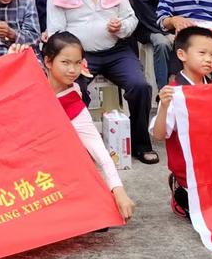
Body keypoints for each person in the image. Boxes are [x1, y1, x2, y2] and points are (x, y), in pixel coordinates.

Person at [46, 0, 156, 165]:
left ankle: (140, 144)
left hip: (116, 50)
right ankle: (81, 146)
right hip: (80, 57)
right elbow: (56, 34)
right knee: (75, 90)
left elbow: (131, 18)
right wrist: (74, 56)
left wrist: (121, 27)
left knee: (140, 86)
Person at [30, 33, 135, 221]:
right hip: (26, 169)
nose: (72, 70)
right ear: (48, 62)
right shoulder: (31, 86)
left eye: (78, 63)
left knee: (100, 216)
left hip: (56, 173)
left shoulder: (74, 103)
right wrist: (13, 57)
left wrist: (118, 190)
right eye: (65, 62)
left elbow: (99, 151)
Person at [150, 27, 212, 218]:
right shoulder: (174, 93)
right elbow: (158, 135)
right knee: (205, 217)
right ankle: (179, 187)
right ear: (182, 54)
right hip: (188, 171)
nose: (208, 59)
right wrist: (164, 107)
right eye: (202, 53)